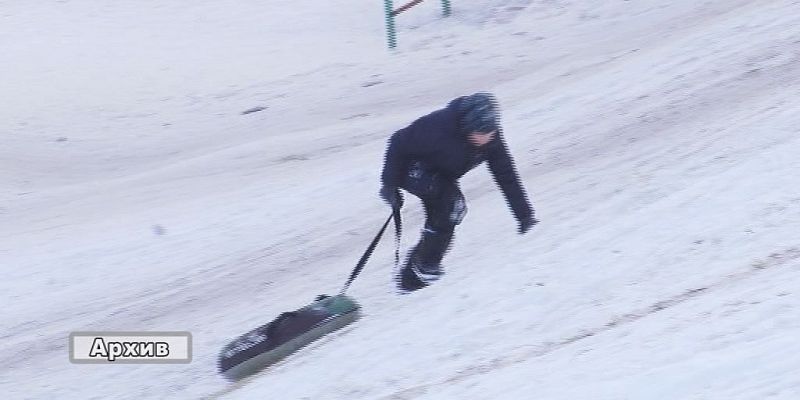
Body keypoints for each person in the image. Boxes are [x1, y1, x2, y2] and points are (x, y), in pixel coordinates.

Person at [379, 92, 538, 293]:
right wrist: (389, 185)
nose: (489, 137)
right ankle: (424, 268)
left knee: (448, 213)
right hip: (412, 169)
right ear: (468, 126)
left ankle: (413, 275)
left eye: (492, 131)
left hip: (441, 173)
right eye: (483, 133)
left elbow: (505, 173)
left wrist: (524, 216)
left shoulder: (491, 137)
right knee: (452, 207)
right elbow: (398, 141)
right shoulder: (437, 127)